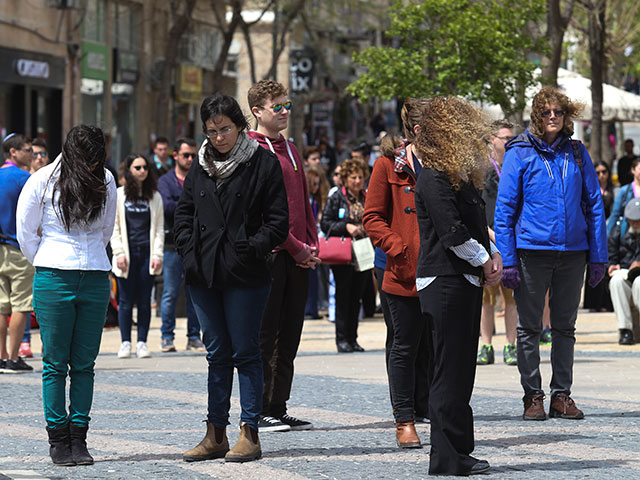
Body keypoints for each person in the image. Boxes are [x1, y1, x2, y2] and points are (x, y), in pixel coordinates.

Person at [175, 93, 288, 463]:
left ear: (240, 126)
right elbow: (184, 213)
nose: (219, 137)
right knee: (217, 354)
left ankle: (249, 432)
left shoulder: (262, 163)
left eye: (225, 129)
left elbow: (278, 222)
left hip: (246, 272)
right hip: (204, 273)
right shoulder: (201, 164)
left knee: (246, 352)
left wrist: (248, 248)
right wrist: (189, 254)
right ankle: (215, 433)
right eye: (211, 130)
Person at [495, 86, 607, 422]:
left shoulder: (576, 152)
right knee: (528, 329)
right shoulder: (519, 152)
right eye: (546, 112)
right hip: (532, 252)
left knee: (564, 328)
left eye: (558, 111)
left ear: (566, 115)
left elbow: (594, 204)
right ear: (536, 115)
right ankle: (533, 396)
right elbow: (504, 210)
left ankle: (561, 395)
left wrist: (598, 255)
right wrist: (509, 259)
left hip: (573, 252)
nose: (553, 117)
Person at [16, 125, 117, 466]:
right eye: (86, 160)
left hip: (94, 275)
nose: (91, 167)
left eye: (96, 159)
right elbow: (26, 232)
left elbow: (106, 229)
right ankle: (58, 439)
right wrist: (47, 262)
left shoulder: (106, 180)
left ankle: (79, 436)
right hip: (53, 275)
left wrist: (87, 260)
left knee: (85, 365)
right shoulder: (42, 180)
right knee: (54, 363)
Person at [413, 96, 500, 476]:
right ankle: (446, 458)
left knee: (463, 370)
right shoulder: (432, 175)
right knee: (448, 372)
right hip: (444, 281)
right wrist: (484, 260)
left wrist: (492, 254)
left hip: (462, 279)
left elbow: (474, 227)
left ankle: (461, 450)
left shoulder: (454, 173)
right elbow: (451, 233)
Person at [247, 79, 319, 433]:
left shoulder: (290, 148)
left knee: (290, 333)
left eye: (287, 105)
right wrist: (295, 245)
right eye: (277, 107)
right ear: (257, 111)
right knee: (266, 334)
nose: (284, 112)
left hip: (301, 255)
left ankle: (279, 404)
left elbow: (303, 202)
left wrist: (312, 244)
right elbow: (262, 212)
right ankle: (258, 408)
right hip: (272, 254)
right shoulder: (251, 150)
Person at [363, 98, 434, 449]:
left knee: (434, 346)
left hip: (440, 272)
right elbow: (372, 217)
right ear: (419, 129)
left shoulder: (444, 163)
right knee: (404, 347)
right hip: (402, 273)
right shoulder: (387, 165)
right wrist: (397, 247)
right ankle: (404, 419)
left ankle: (429, 405)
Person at [111, 153, 164, 359]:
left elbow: (159, 228)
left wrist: (157, 254)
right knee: (125, 301)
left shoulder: (155, 196)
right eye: (138, 168)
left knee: (144, 301)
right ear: (129, 171)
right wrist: (119, 253)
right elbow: (113, 227)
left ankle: (142, 342)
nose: (142, 171)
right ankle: (125, 342)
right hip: (126, 255)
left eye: (145, 168)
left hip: (147, 255)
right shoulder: (119, 195)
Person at [157, 137, 205, 353]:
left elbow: (207, 204)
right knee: (170, 292)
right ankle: (167, 337)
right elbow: (166, 207)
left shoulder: (200, 177)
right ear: (175, 155)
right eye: (186, 155)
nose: (190, 159)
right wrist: (190, 204)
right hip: (172, 245)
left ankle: (194, 336)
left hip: (197, 245)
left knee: (195, 292)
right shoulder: (166, 181)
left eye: (193, 155)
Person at [477, 120, 518, 366]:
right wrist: (490, 233)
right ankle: (486, 345)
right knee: (486, 298)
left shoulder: (516, 165)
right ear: (492, 139)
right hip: (487, 242)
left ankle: (511, 345)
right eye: (505, 138)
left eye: (512, 138)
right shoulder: (482, 169)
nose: (509, 142)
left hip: (511, 242)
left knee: (511, 298)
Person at [321, 157, 371, 353]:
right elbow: (326, 223)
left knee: (356, 297)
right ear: (345, 178)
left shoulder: (367, 196)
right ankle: (341, 339)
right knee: (343, 296)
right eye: (353, 177)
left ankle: (353, 338)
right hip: (344, 254)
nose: (357, 181)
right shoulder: (337, 197)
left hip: (363, 252)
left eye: (360, 177)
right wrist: (346, 226)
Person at [0, 133, 35, 374]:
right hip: (17, 248)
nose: (32, 154)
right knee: (20, 305)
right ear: (13, 152)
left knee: (1, 306)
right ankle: (13, 358)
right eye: (27, 150)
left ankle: (1, 356)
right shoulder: (25, 178)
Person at [607, 198, 640, 345]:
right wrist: (613, 265)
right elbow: (611, 254)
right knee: (616, 282)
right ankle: (625, 329)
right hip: (626, 274)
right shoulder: (619, 230)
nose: (636, 224)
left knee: (639, 283)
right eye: (633, 221)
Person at [584, 161, 615, 312]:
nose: (601, 175)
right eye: (598, 172)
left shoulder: (614, 192)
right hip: (593, 232)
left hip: (610, 233)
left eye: (604, 172)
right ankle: (592, 302)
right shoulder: (590, 189)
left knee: (606, 265)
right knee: (592, 266)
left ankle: (605, 303)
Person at [304, 165, 329, 320]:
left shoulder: (316, 200)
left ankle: (313, 308)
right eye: (313, 184)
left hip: (316, 243)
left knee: (316, 280)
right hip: (305, 244)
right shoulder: (305, 199)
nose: (316, 187)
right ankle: (308, 309)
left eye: (318, 184)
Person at [607, 157, 640, 237]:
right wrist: (607, 236)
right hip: (628, 235)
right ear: (633, 170)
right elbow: (615, 214)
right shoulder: (624, 191)